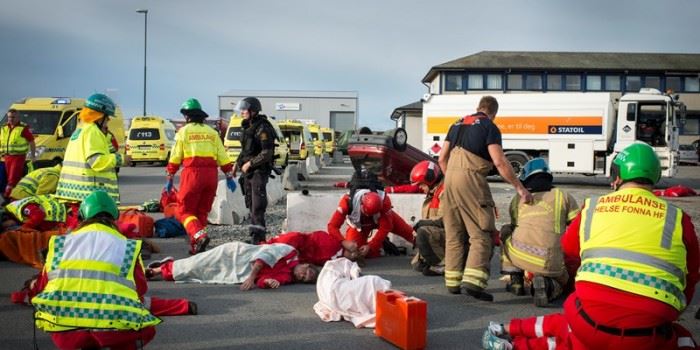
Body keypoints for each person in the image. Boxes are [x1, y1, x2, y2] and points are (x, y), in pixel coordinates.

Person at [482, 143, 698, 350]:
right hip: (650, 332)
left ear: (618, 177)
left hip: (589, 320)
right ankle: (546, 295)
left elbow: (571, 251)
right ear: (656, 176)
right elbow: (691, 277)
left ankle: (512, 331)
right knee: (681, 338)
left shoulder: (593, 207)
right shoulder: (678, 219)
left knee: (573, 328)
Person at [31, 190, 161, 350]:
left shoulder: (59, 243)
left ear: (81, 217)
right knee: (147, 327)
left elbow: (44, 286)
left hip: (65, 331)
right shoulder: (127, 246)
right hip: (113, 331)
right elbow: (140, 289)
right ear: (114, 218)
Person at [438, 95, 532, 301]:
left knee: (454, 233)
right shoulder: (489, 127)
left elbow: (441, 158)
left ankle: (452, 282)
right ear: (494, 113)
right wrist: (520, 188)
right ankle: (474, 283)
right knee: (481, 232)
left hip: (450, 179)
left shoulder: (457, 123)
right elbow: (499, 162)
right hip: (470, 178)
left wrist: (452, 179)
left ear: (479, 107)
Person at [499, 158, 579, 306]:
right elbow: (576, 226)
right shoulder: (563, 196)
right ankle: (548, 286)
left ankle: (516, 281)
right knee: (562, 282)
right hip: (552, 261)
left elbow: (514, 225)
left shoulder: (518, 198)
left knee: (506, 231)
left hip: (520, 255)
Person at [166, 98, 235, 255]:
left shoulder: (183, 132)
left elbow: (176, 156)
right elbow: (222, 156)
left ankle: (200, 236)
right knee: (202, 211)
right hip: (211, 176)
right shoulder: (212, 133)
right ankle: (196, 247)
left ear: (187, 116)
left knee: (184, 210)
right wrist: (229, 175)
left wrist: (170, 175)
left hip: (193, 174)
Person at [145, 241, 319, 290]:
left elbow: (262, 280)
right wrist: (252, 277)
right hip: (236, 254)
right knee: (196, 263)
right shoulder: (290, 251)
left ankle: (168, 267)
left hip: (236, 272)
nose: (301, 275)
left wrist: (267, 283)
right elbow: (264, 255)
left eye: (304, 279)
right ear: (305, 264)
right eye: (305, 272)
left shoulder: (287, 278)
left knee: (199, 275)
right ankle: (157, 270)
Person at [55, 93, 124, 205]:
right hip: (89, 196)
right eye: (107, 117)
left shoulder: (82, 130)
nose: (109, 121)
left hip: (73, 194)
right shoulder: (92, 131)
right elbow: (96, 162)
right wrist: (121, 159)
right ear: (99, 117)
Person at [386, 160, 447, 276]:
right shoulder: (434, 191)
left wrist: (421, 224)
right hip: (441, 233)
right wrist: (389, 190)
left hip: (451, 234)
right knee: (417, 265)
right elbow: (409, 188)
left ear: (429, 180)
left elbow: (445, 219)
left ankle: (444, 264)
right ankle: (435, 262)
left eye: (421, 185)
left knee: (422, 233)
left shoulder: (444, 192)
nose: (420, 188)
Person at [231, 97, 276, 244]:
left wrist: (251, 163)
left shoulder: (263, 128)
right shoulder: (247, 126)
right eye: (241, 109)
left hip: (259, 171)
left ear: (253, 110)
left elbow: (267, 152)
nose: (242, 112)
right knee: (250, 203)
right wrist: (237, 164)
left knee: (258, 205)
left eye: (245, 109)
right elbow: (245, 151)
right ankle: (254, 235)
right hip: (248, 172)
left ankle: (259, 237)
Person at [327, 189, 415, 259]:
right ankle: (381, 247)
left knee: (411, 235)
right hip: (360, 225)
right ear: (361, 204)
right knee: (355, 253)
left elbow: (386, 227)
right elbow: (332, 226)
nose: (369, 216)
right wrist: (344, 242)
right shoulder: (347, 202)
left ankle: (426, 248)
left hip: (383, 219)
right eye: (367, 213)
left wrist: (371, 246)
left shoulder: (385, 201)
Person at [267, 230, 360, 266]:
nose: (354, 254)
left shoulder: (338, 259)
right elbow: (316, 237)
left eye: (356, 255)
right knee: (273, 251)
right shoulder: (334, 243)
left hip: (300, 255)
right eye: (355, 251)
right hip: (296, 244)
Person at [1, 108, 36, 199]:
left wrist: (33, 156)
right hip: (6, 157)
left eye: (13, 117)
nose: (10, 119)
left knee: (12, 179)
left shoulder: (23, 128)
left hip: (18, 157)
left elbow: (32, 142)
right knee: (7, 179)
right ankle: (15, 196)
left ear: (18, 117)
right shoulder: (4, 128)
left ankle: (6, 198)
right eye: (9, 117)